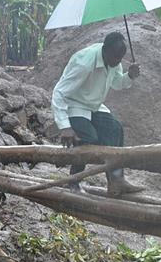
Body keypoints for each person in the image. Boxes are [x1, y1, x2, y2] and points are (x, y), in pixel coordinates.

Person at [51, 31, 143, 196]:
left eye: (121, 57)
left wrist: (129, 76)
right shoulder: (85, 63)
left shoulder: (114, 61)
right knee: (88, 138)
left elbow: (117, 83)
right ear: (105, 50)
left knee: (115, 129)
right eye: (115, 57)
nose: (118, 61)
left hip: (94, 106)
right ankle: (74, 181)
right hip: (75, 104)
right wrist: (64, 126)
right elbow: (59, 92)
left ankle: (116, 181)